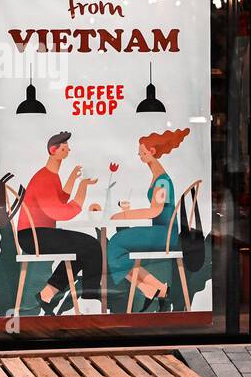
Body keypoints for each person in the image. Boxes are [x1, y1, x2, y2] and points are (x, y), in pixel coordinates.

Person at [105, 128, 190, 312]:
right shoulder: (158, 178)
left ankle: (157, 288)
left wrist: (125, 215)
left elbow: (154, 211)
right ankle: (156, 289)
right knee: (116, 244)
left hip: (165, 235)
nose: (140, 156)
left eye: (142, 152)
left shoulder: (162, 182)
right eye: (139, 153)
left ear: (152, 152)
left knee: (115, 243)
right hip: (161, 231)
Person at [16, 131, 100, 314]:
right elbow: (59, 211)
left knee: (83, 250)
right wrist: (82, 190)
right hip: (34, 236)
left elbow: (60, 198)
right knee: (92, 245)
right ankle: (90, 300)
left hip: (38, 233)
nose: (68, 149)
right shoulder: (44, 178)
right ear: (54, 150)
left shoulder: (50, 175)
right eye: (64, 147)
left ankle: (47, 294)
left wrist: (76, 180)